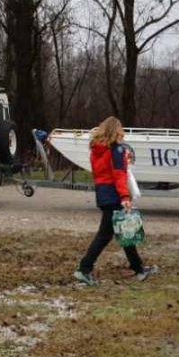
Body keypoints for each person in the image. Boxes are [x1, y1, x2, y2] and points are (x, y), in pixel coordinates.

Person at [73, 116, 157, 286]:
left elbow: (100, 173)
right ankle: (84, 269)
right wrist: (125, 197)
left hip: (103, 194)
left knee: (124, 232)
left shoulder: (97, 150)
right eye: (121, 130)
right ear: (116, 131)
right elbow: (118, 176)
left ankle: (138, 268)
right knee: (106, 235)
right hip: (114, 194)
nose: (123, 133)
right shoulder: (116, 151)